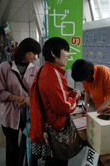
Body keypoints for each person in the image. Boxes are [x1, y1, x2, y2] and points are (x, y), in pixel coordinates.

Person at [29, 37, 81, 166]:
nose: (68, 55)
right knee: (58, 161)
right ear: (53, 53)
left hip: (43, 125)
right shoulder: (53, 74)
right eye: (65, 50)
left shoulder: (43, 69)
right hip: (55, 129)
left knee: (52, 161)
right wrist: (75, 96)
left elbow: (49, 98)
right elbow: (63, 107)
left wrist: (67, 95)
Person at [0, 38, 41, 166]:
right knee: (11, 146)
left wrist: (29, 100)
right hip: (10, 115)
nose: (34, 57)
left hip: (28, 115)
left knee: (30, 145)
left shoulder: (35, 69)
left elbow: (38, 91)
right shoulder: (3, 68)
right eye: (33, 53)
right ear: (24, 51)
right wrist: (16, 98)